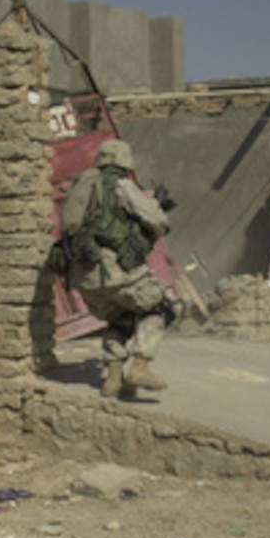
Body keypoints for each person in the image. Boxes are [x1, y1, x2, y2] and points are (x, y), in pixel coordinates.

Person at [64, 139, 172, 399]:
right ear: (124, 163)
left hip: (85, 277)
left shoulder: (82, 186)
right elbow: (156, 220)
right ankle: (140, 366)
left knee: (120, 319)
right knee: (162, 309)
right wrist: (158, 206)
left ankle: (113, 379)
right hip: (119, 272)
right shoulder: (121, 186)